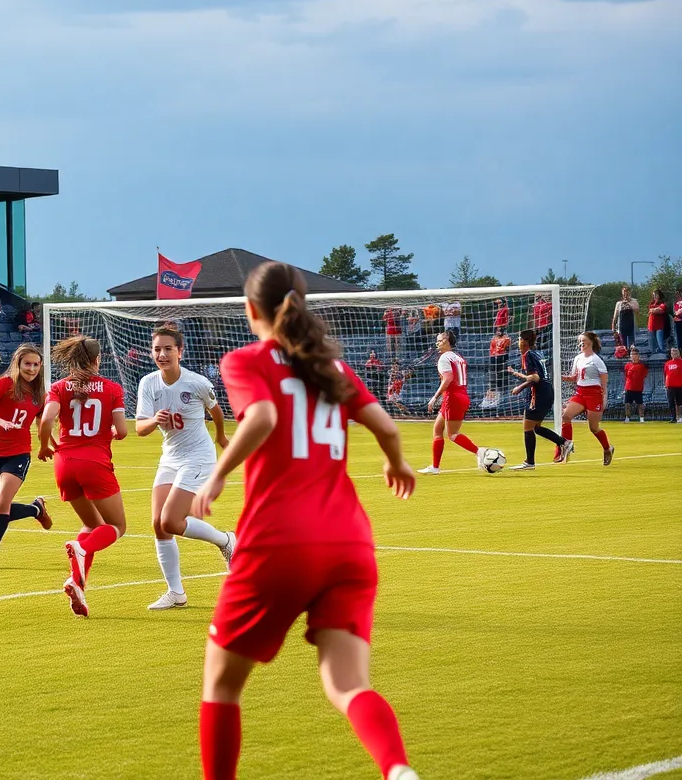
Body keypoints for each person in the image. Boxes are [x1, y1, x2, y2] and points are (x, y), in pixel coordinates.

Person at [189, 261, 418, 780]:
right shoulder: (330, 367)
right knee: (348, 685)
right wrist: (396, 462)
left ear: (251, 310)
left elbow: (265, 417)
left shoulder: (247, 360)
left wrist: (219, 475)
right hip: (349, 542)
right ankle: (398, 769)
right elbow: (385, 425)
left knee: (222, 684)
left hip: (280, 540)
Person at [136, 326, 234, 610]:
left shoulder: (197, 383)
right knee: (159, 525)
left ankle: (225, 540)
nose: (162, 354)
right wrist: (155, 420)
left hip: (198, 457)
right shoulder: (148, 383)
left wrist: (220, 436)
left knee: (171, 521)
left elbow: (216, 411)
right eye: (157, 349)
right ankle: (176, 593)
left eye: (168, 349)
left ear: (180, 351)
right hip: (170, 457)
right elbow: (141, 428)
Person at [37, 336, 128, 618]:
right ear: (97, 360)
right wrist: (110, 434)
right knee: (116, 526)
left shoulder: (58, 387)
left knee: (91, 523)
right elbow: (122, 430)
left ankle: (77, 583)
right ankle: (80, 548)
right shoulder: (112, 388)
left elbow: (46, 420)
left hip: (64, 462)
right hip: (94, 462)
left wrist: (45, 444)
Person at [0, 344, 52, 571]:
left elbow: (42, 425)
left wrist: (49, 445)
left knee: (1, 508)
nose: (32, 368)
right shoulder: (5, 383)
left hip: (18, 453)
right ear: (18, 364)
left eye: (36, 364)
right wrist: (0, 421)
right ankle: (35, 509)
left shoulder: (40, 394)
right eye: (27, 363)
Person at [418, 330, 493, 474]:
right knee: (437, 430)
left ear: (447, 341)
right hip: (462, 395)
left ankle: (480, 451)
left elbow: (448, 378)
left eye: (440, 341)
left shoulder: (443, 358)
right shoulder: (458, 357)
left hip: (452, 397)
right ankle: (435, 467)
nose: (437, 343)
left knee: (452, 434)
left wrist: (435, 397)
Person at [507, 329, 569, 470]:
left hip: (539, 393)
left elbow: (535, 378)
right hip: (547, 392)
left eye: (519, 338)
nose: (518, 341)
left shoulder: (528, 355)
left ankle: (530, 462)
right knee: (536, 427)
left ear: (524, 341)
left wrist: (519, 386)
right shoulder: (537, 353)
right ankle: (564, 443)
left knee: (527, 427)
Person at [560, 331, 613, 466]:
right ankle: (567, 444)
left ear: (591, 342)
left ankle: (607, 448)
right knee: (566, 416)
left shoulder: (596, 360)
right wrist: (561, 377)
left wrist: (604, 398)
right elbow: (574, 377)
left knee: (594, 428)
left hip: (594, 394)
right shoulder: (578, 358)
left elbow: (604, 382)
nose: (581, 343)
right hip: (580, 392)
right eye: (580, 341)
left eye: (583, 340)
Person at [622, 347, 648, 423]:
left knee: (640, 404)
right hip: (629, 387)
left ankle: (641, 418)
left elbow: (644, 374)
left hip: (638, 387)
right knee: (627, 404)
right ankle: (627, 418)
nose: (633, 356)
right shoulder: (627, 365)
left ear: (638, 355)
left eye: (634, 354)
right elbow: (626, 375)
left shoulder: (642, 365)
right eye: (631, 354)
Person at [647, 288, 668, 355]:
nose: (654, 296)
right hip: (651, 324)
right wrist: (655, 309)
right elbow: (650, 310)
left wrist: (654, 310)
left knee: (660, 341)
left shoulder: (662, 302)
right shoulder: (651, 302)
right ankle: (654, 352)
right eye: (653, 295)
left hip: (659, 324)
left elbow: (662, 309)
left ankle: (661, 353)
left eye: (655, 294)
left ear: (659, 295)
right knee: (653, 341)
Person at [665, 347, 682, 423]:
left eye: (675, 352)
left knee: (680, 402)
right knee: (671, 402)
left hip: (680, 385)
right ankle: (673, 418)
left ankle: (680, 417)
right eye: (672, 352)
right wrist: (665, 384)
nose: (674, 353)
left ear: (679, 353)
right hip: (670, 386)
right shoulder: (667, 363)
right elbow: (666, 374)